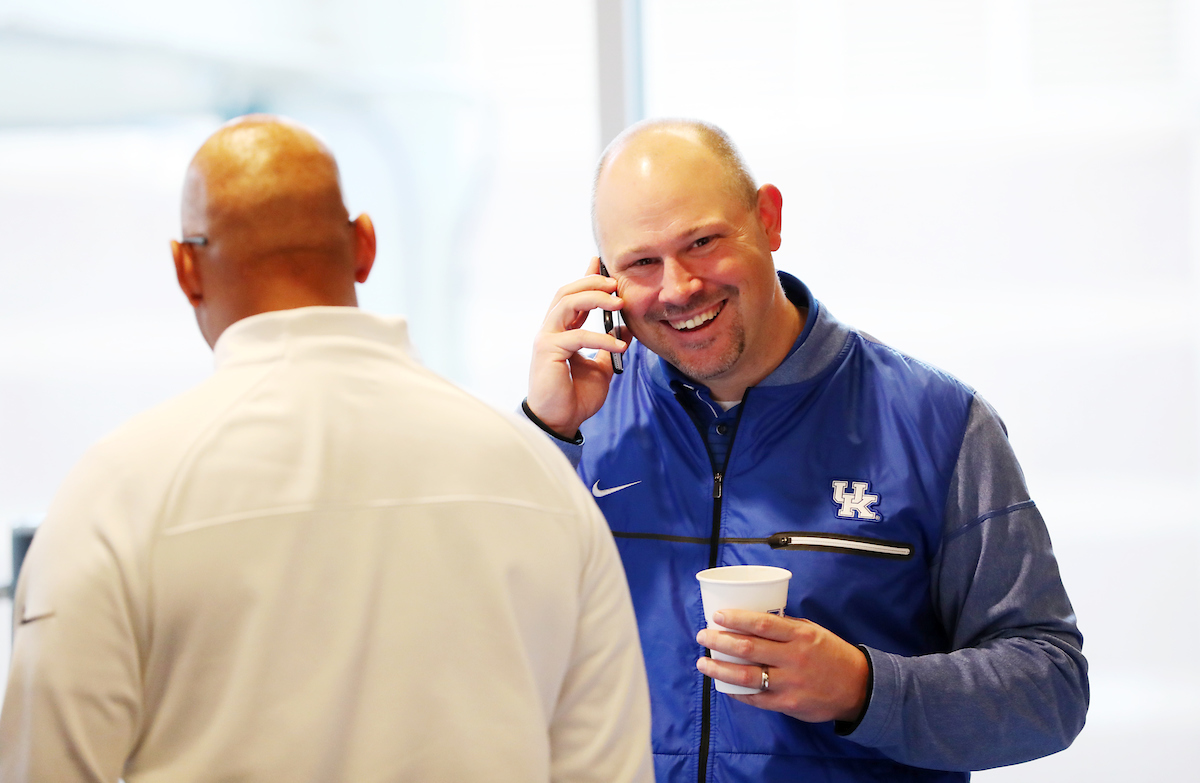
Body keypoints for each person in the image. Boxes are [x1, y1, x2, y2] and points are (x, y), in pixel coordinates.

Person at [0, 115, 653, 783]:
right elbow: (611, 767)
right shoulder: (541, 484)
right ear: (364, 246)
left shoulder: (118, 490)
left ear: (186, 268)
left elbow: (43, 765)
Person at [523, 118, 1088, 782]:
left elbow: (1050, 687)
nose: (677, 288)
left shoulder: (939, 424)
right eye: (642, 262)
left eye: (702, 242)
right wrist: (543, 437)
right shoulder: (577, 424)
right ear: (605, 279)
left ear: (768, 218)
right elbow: (487, 648)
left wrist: (864, 687)